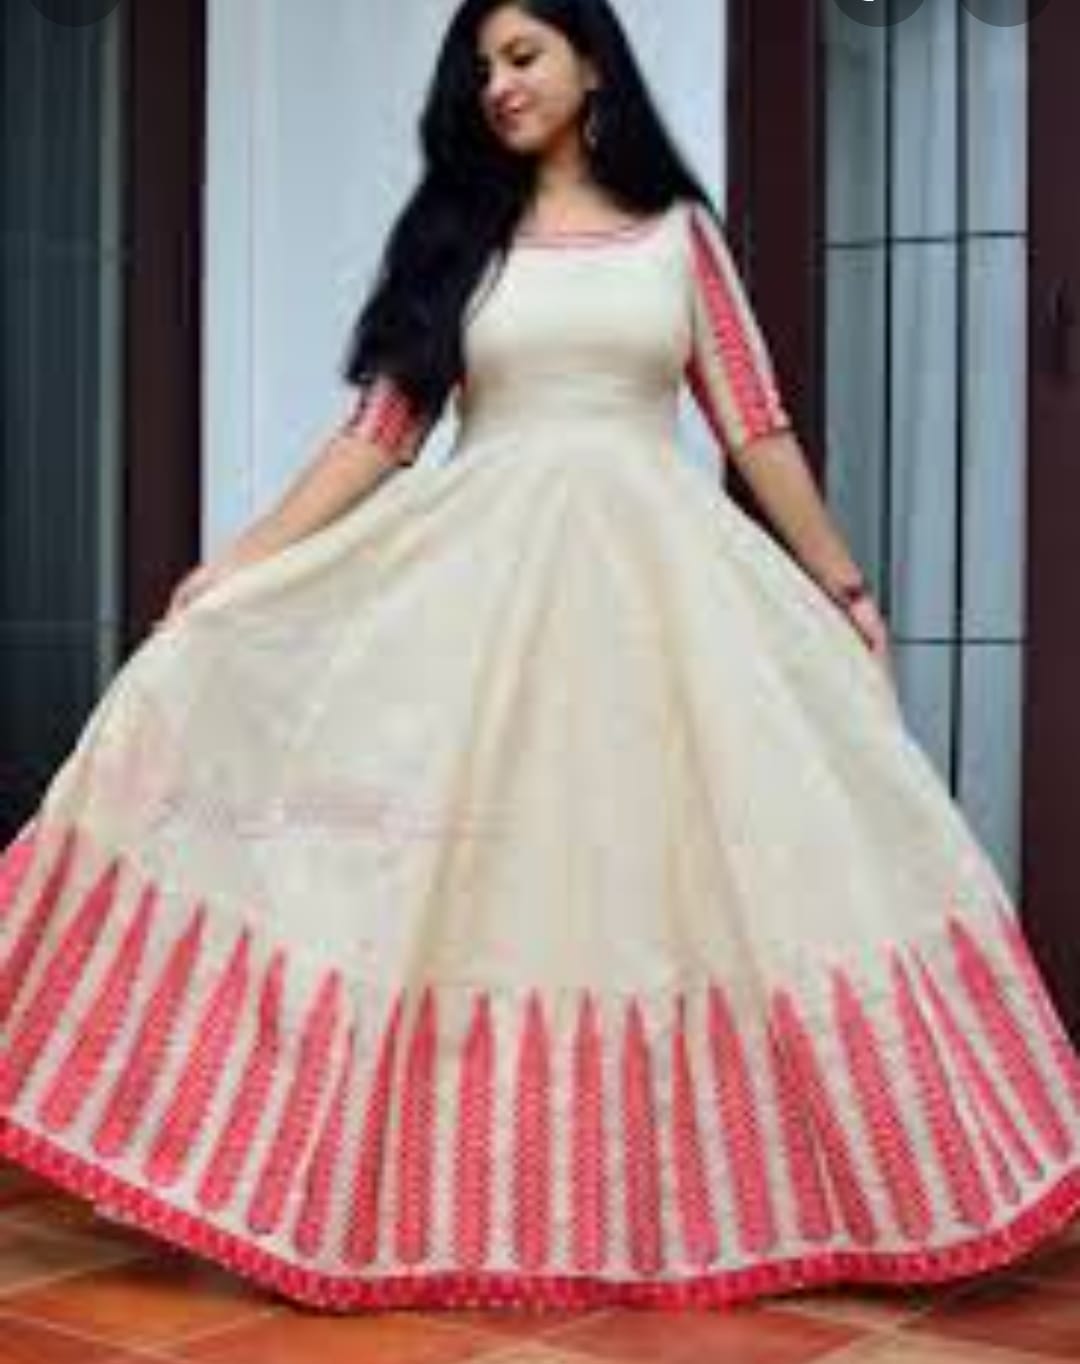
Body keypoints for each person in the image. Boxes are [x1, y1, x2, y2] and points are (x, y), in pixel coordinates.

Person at [1, 0, 1079, 1316]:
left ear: (590, 63)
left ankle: (697, 1202)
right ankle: (427, 1199)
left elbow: (756, 426)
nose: (499, 86)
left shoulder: (679, 237)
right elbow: (379, 435)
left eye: (523, 57)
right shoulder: (458, 238)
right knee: (455, 880)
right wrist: (239, 564)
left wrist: (841, 582)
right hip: (480, 588)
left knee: (664, 881)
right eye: (482, 68)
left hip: (665, 596)